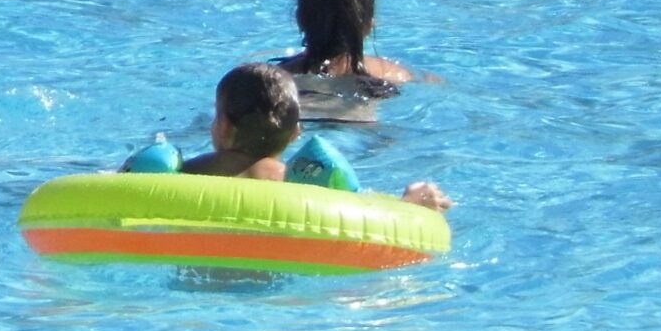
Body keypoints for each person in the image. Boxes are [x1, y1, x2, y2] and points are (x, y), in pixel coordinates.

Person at [160, 63, 450, 210]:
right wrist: (410, 202)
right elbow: (366, 208)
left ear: (224, 126)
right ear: (295, 134)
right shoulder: (298, 181)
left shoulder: (188, 171)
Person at [273, 0, 430, 107]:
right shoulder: (393, 74)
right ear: (369, 26)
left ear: (299, 19)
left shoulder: (274, 80)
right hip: (362, 125)